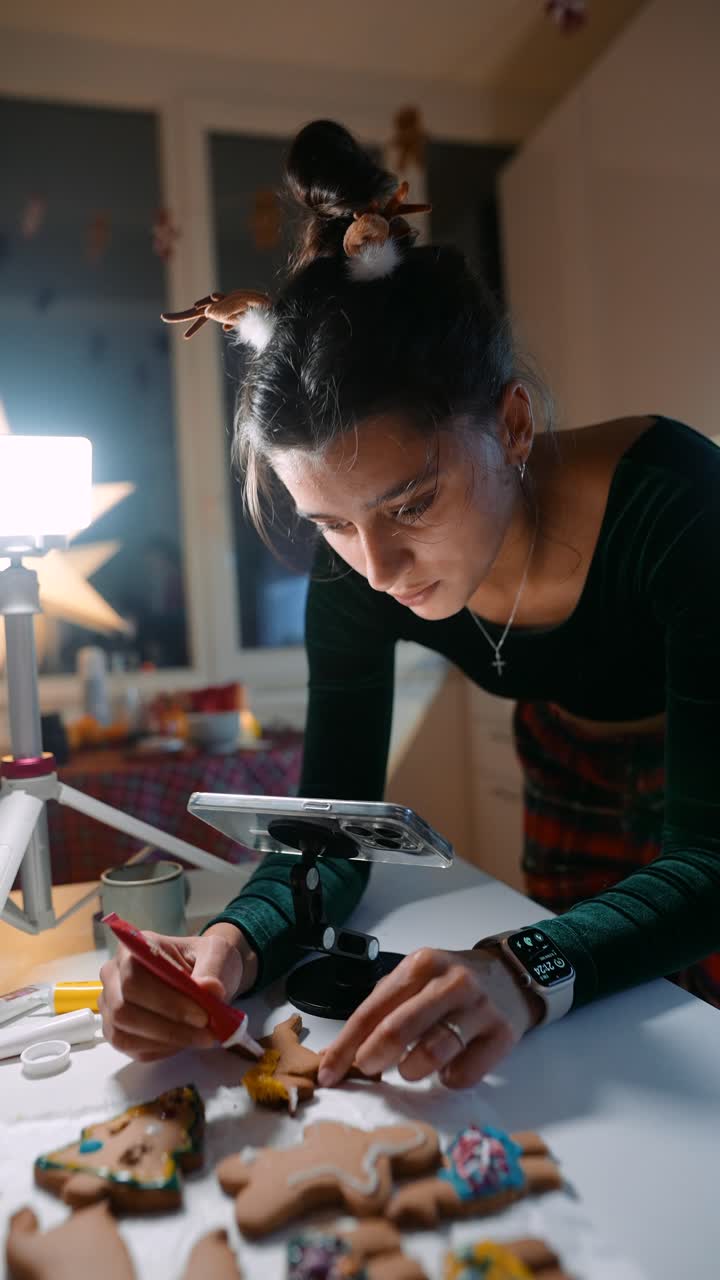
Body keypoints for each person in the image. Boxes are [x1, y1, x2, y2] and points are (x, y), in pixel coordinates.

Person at [99, 120, 720, 1088]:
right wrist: (235, 941)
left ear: (512, 423)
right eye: (331, 524)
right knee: (604, 1043)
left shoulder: (683, 509)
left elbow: (712, 857)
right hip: (564, 748)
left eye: (413, 502)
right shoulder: (358, 567)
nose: (379, 567)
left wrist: (522, 963)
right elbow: (330, 830)